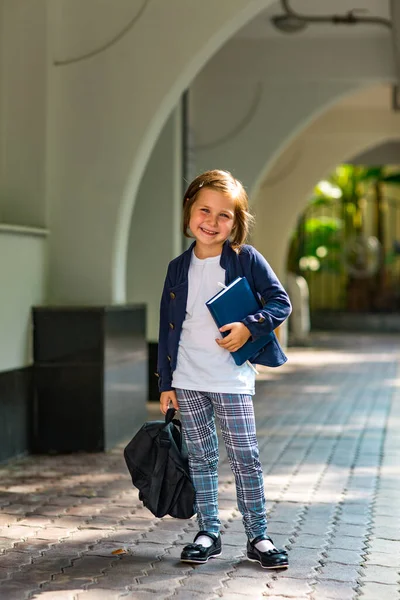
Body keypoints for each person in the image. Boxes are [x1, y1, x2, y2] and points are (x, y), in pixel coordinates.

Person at [156, 169, 291, 569]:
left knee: (244, 455)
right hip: (188, 378)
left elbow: (279, 301)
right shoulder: (177, 268)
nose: (212, 223)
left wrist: (250, 326)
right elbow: (167, 327)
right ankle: (208, 531)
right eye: (204, 211)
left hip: (231, 377)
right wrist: (166, 382)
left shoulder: (245, 259)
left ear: (237, 222)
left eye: (224, 216)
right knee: (200, 456)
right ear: (189, 213)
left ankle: (258, 535)